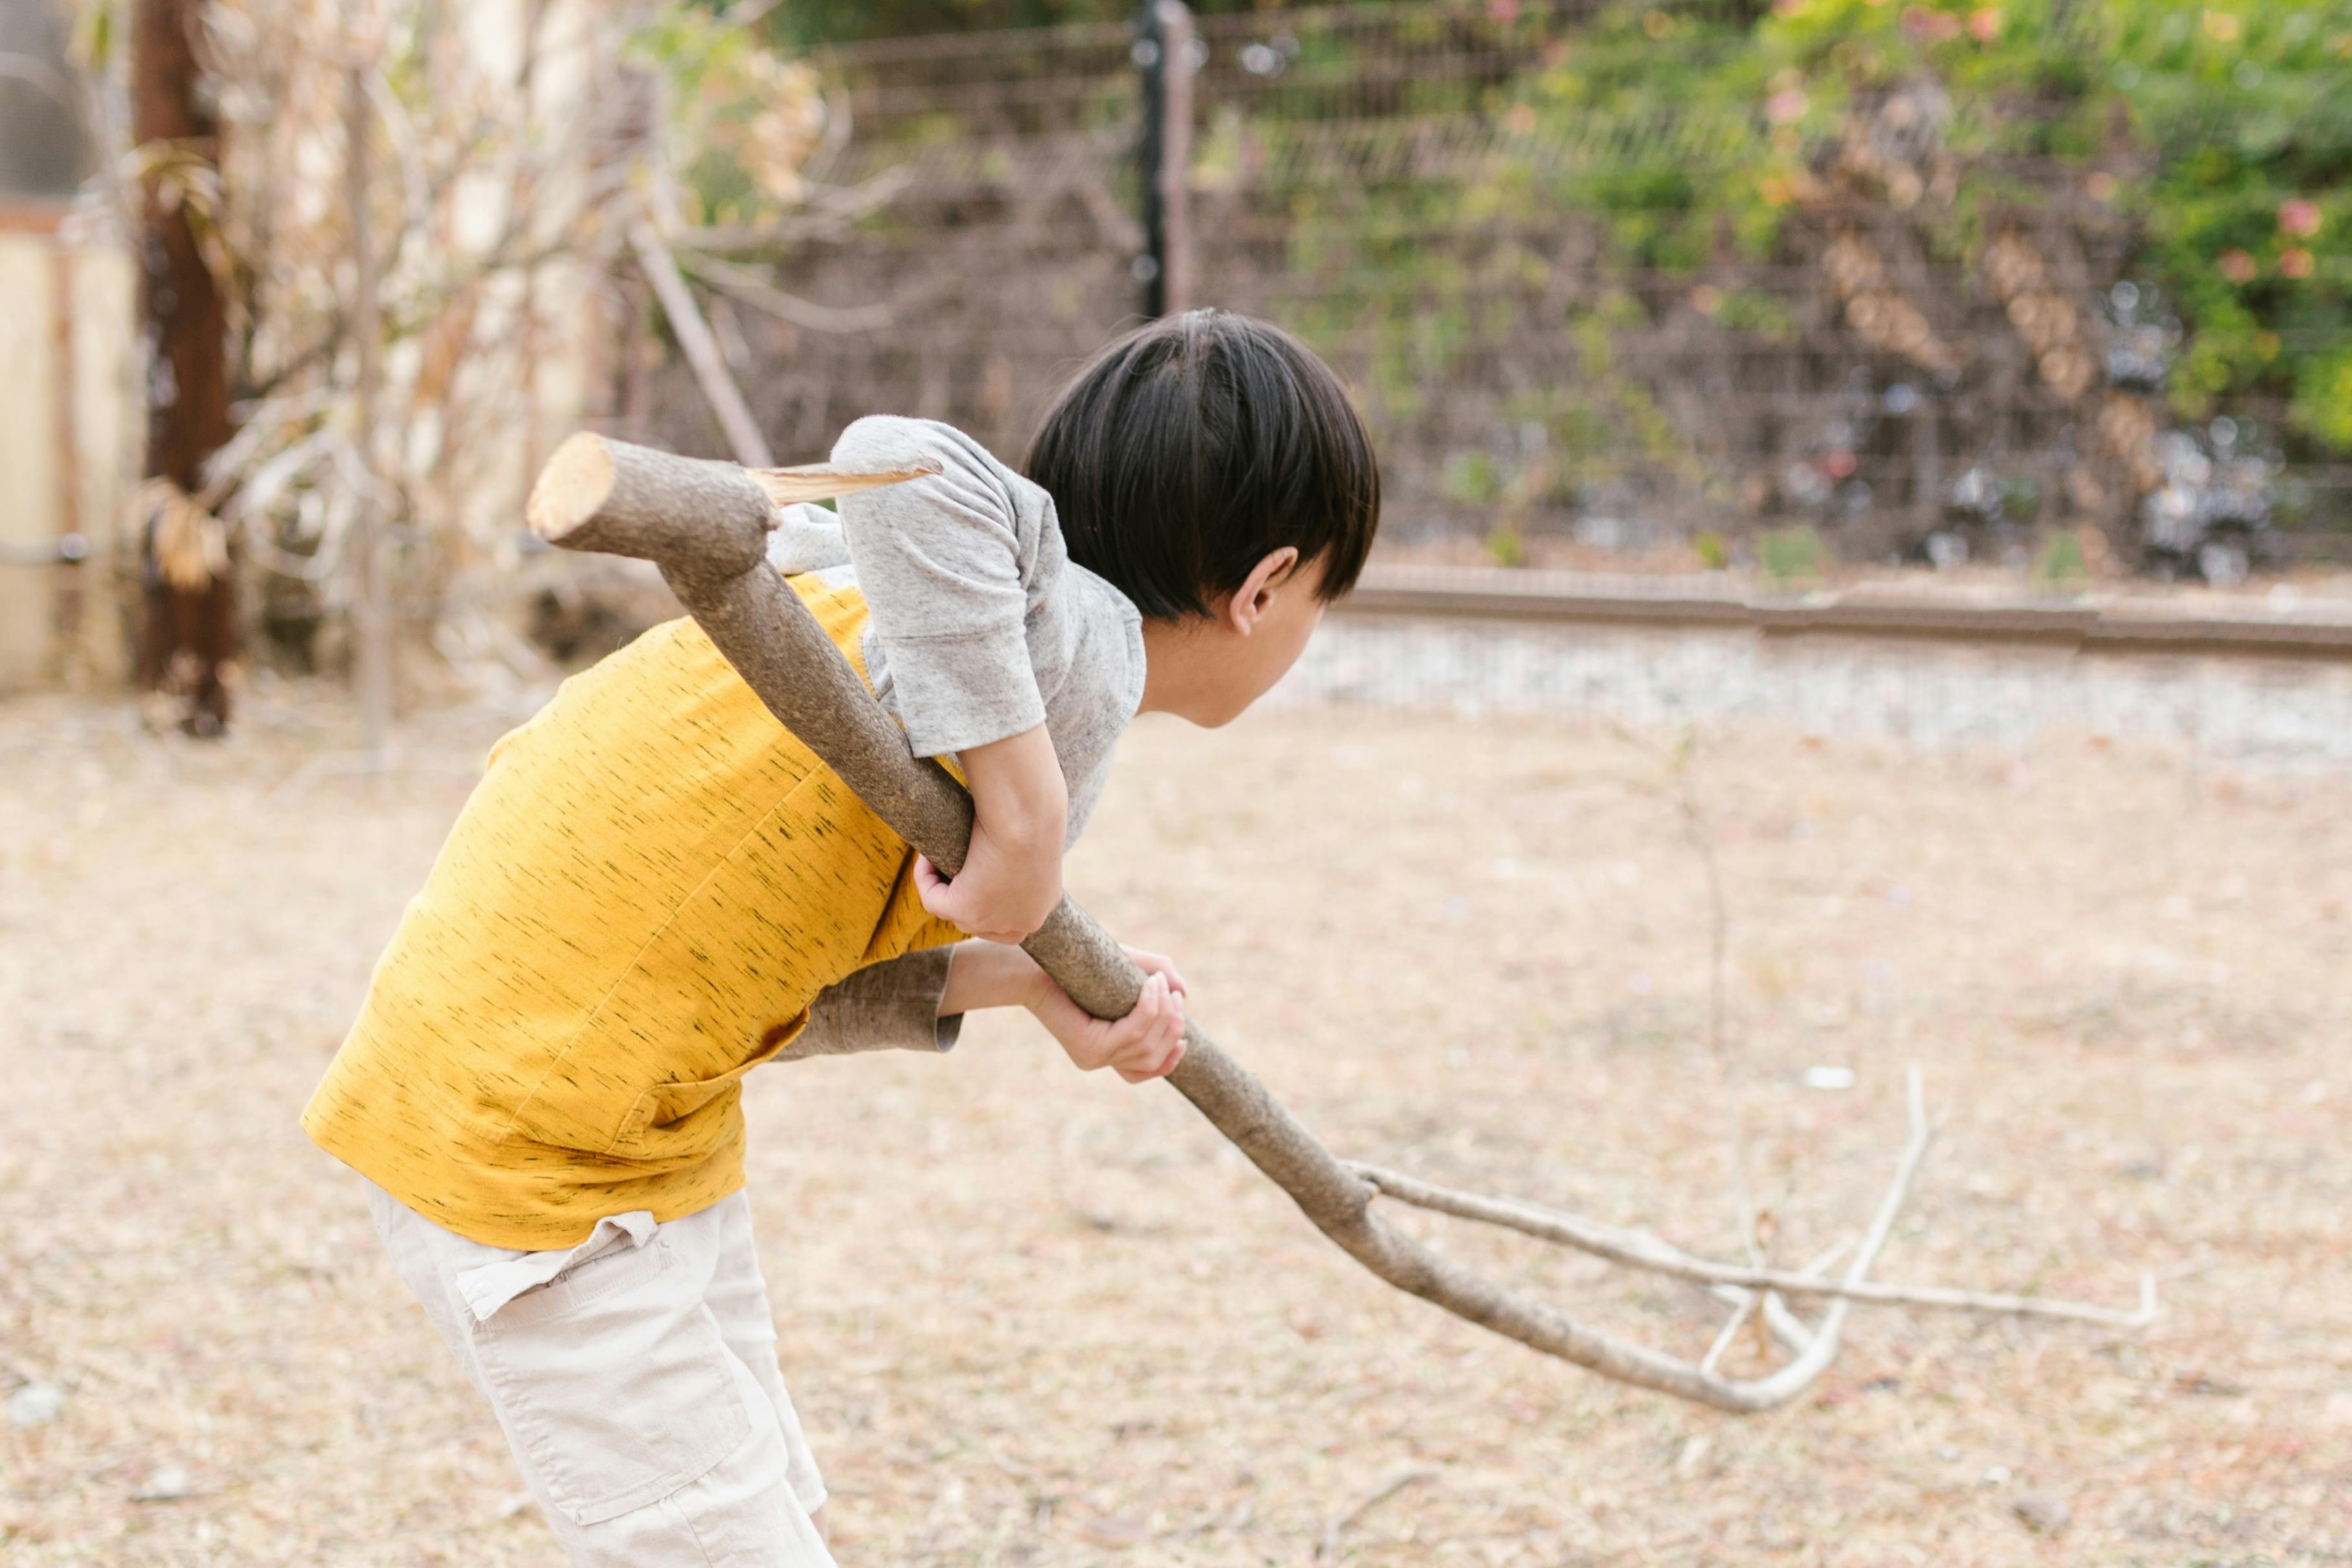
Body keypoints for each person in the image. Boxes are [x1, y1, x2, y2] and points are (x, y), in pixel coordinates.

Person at [301, 309, 1380, 1566]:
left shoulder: (949, 636)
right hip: (530, 1157)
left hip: (632, 1119)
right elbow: (904, 461)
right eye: (1322, 603)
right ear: (1264, 587)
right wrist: (1028, 825)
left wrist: (1027, 978)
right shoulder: (1065, 637)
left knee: (767, 1510)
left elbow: (775, 946)